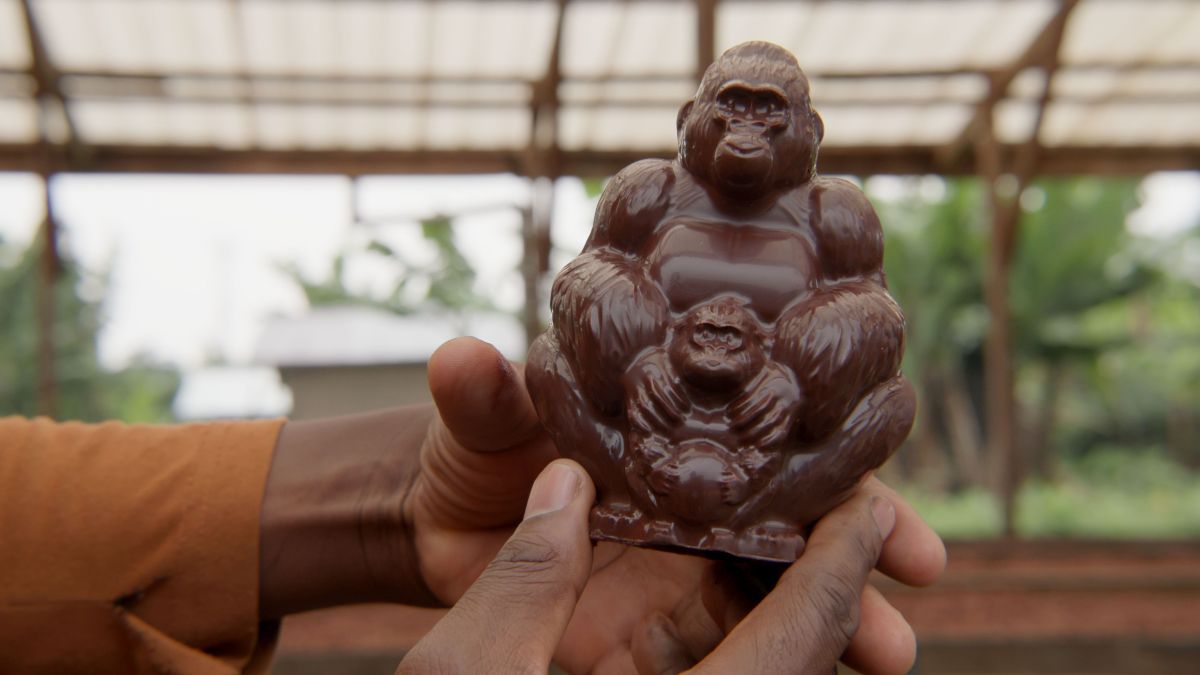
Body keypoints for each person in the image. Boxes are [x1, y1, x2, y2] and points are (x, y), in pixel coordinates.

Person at [1, 337, 946, 674]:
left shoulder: (831, 218)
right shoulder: (650, 200)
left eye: (770, 113)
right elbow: (593, 288)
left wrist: (406, 506)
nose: (746, 133)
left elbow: (868, 320)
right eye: (729, 108)